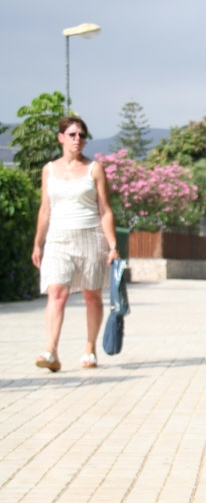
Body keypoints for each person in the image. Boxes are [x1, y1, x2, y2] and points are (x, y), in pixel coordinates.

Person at [32, 115, 120, 372]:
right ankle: (51, 351)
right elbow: (45, 210)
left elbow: (105, 209)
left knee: (91, 294)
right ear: (61, 138)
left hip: (91, 237)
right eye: (72, 134)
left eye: (81, 135)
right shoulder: (49, 170)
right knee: (56, 292)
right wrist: (38, 243)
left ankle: (90, 348)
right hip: (58, 238)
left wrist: (113, 246)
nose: (77, 139)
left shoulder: (94, 169)